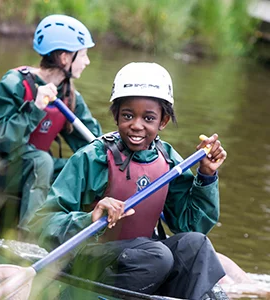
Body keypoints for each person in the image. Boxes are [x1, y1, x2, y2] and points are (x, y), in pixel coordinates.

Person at [29, 62, 228, 299]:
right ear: (116, 116)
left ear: (163, 122)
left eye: (149, 118)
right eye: (128, 115)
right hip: (89, 259)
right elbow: (41, 223)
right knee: (157, 257)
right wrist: (88, 218)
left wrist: (206, 175)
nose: (136, 125)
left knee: (197, 246)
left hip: (141, 261)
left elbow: (190, 225)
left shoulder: (168, 160)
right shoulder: (92, 158)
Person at [0, 14, 102, 233]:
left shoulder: (68, 96)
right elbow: (2, 140)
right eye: (84, 54)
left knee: (78, 167)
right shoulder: (14, 84)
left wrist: (116, 162)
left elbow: (91, 143)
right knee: (41, 161)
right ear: (64, 58)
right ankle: (28, 237)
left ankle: (74, 232)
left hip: (25, 169)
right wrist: (35, 108)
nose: (87, 61)